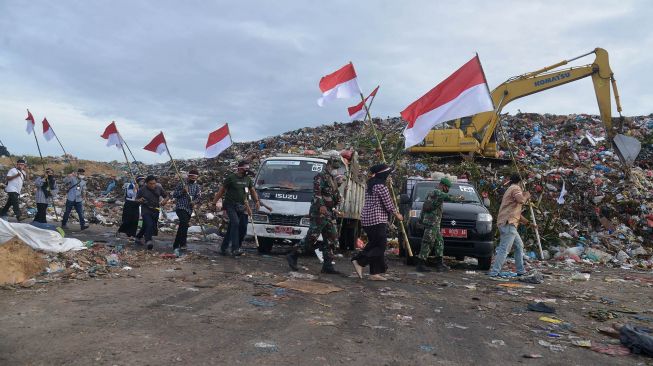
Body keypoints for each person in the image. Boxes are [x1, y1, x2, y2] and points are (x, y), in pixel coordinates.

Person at [286, 153, 342, 274]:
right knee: (312, 237)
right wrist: (321, 205)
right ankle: (293, 254)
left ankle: (328, 265)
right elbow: (317, 193)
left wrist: (336, 204)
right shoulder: (320, 176)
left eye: (337, 168)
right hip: (319, 212)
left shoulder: (333, 180)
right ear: (328, 165)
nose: (335, 170)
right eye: (334, 167)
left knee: (332, 238)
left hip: (329, 213)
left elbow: (334, 196)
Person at [352, 164, 403, 281]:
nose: (389, 177)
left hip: (367, 219)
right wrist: (397, 214)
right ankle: (359, 261)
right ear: (383, 174)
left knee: (374, 244)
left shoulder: (371, 184)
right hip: (377, 219)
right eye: (388, 174)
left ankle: (374, 273)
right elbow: (388, 204)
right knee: (381, 246)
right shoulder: (381, 186)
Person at [488, 174, 534, 278]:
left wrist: (528, 223)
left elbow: (516, 213)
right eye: (524, 182)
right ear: (520, 182)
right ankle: (494, 272)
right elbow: (521, 200)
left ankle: (520, 270)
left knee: (519, 246)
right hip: (508, 223)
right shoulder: (516, 188)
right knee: (504, 249)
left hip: (508, 222)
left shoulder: (510, 189)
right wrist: (526, 195)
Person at [212, 161, 260, 257]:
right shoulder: (231, 178)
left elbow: (252, 191)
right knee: (235, 223)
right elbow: (221, 191)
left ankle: (224, 248)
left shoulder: (247, 179)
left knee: (236, 227)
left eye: (248, 169)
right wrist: (214, 203)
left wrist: (257, 201)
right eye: (245, 169)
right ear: (240, 168)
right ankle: (235, 249)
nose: (247, 170)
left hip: (241, 206)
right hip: (230, 205)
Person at [416, 177, 462, 272]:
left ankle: (439, 264)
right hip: (432, 222)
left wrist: (420, 220)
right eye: (447, 188)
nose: (447, 190)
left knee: (439, 242)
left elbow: (424, 208)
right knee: (427, 242)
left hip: (434, 223)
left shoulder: (430, 193)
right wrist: (460, 198)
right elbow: (448, 197)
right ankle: (421, 264)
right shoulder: (437, 192)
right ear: (443, 186)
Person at [172, 169, 201, 257]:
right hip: (181, 207)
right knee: (184, 223)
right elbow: (174, 194)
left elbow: (198, 197)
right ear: (188, 176)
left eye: (195, 178)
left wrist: (194, 202)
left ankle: (182, 243)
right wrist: (183, 192)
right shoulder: (182, 183)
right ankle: (177, 244)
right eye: (192, 177)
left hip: (189, 209)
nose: (193, 179)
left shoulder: (197, 186)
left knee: (183, 225)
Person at [136, 175, 168, 250]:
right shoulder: (142, 189)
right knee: (149, 224)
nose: (153, 185)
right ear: (146, 183)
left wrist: (164, 201)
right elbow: (136, 199)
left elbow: (166, 196)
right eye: (151, 183)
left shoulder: (159, 188)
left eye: (154, 183)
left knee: (147, 225)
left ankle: (138, 237)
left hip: (155, 209)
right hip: (146, 209)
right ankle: (148, 241)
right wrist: (140, 200)